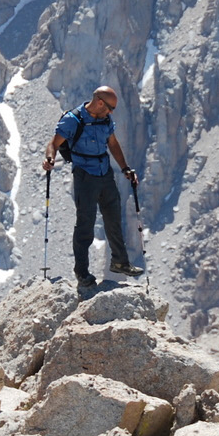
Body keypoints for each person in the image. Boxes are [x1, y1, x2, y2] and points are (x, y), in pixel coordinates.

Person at [42, 85, 144, 287]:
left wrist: (125, 168)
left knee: (113, 218)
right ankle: (82, 272)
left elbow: (112, 144)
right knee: (85, 224)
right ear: (99, 102)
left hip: (105, 172)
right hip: (85, 176)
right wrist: (49, 159)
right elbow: (53, 143)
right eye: (110, 108)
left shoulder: (105, 120)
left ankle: (120, 262)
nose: (111, 113)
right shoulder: (73, 119)